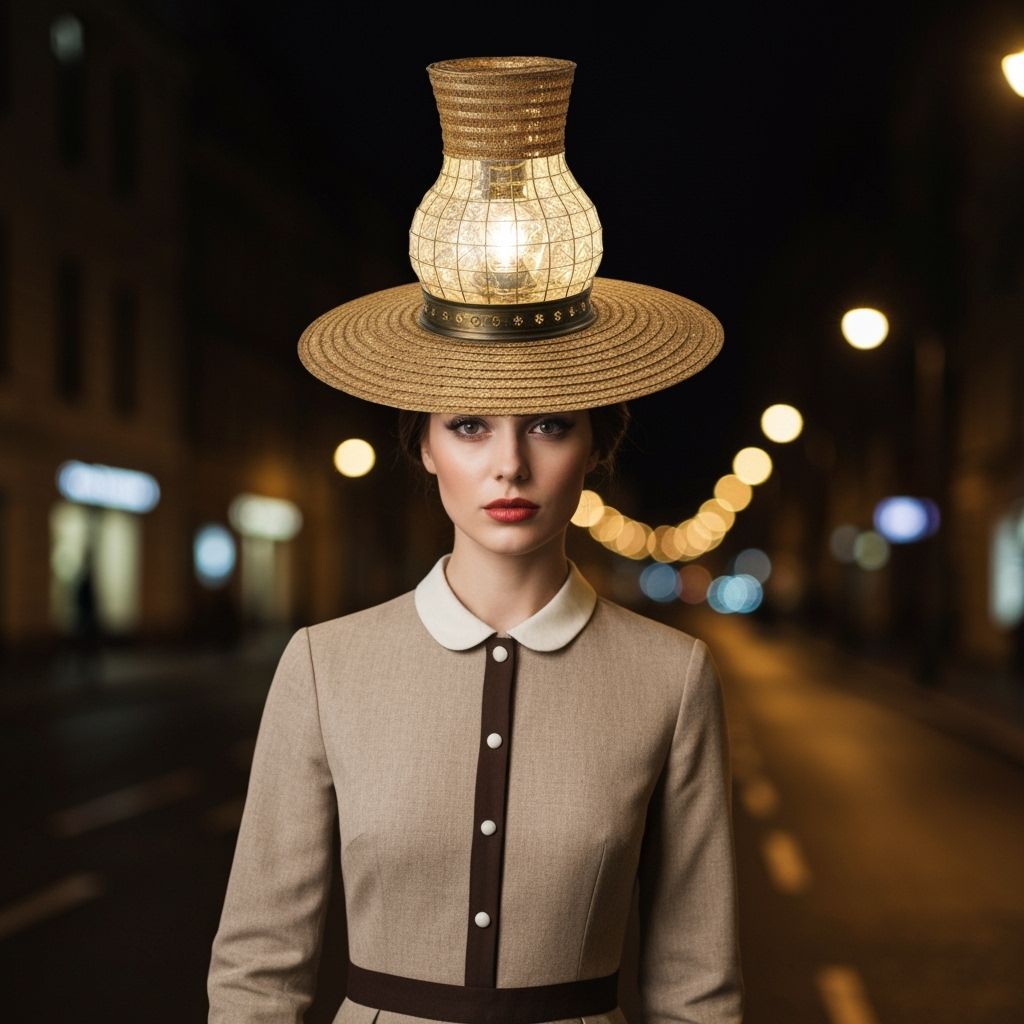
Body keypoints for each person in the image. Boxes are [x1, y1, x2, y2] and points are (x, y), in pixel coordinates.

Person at [208, 55, 743, 1024]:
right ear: (420, 447)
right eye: (468, 425)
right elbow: (258, 970)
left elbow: (696, 985)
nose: (509, 465)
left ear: (593, 447)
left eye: (546, 424)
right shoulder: (325, 666)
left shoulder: (671, 678)